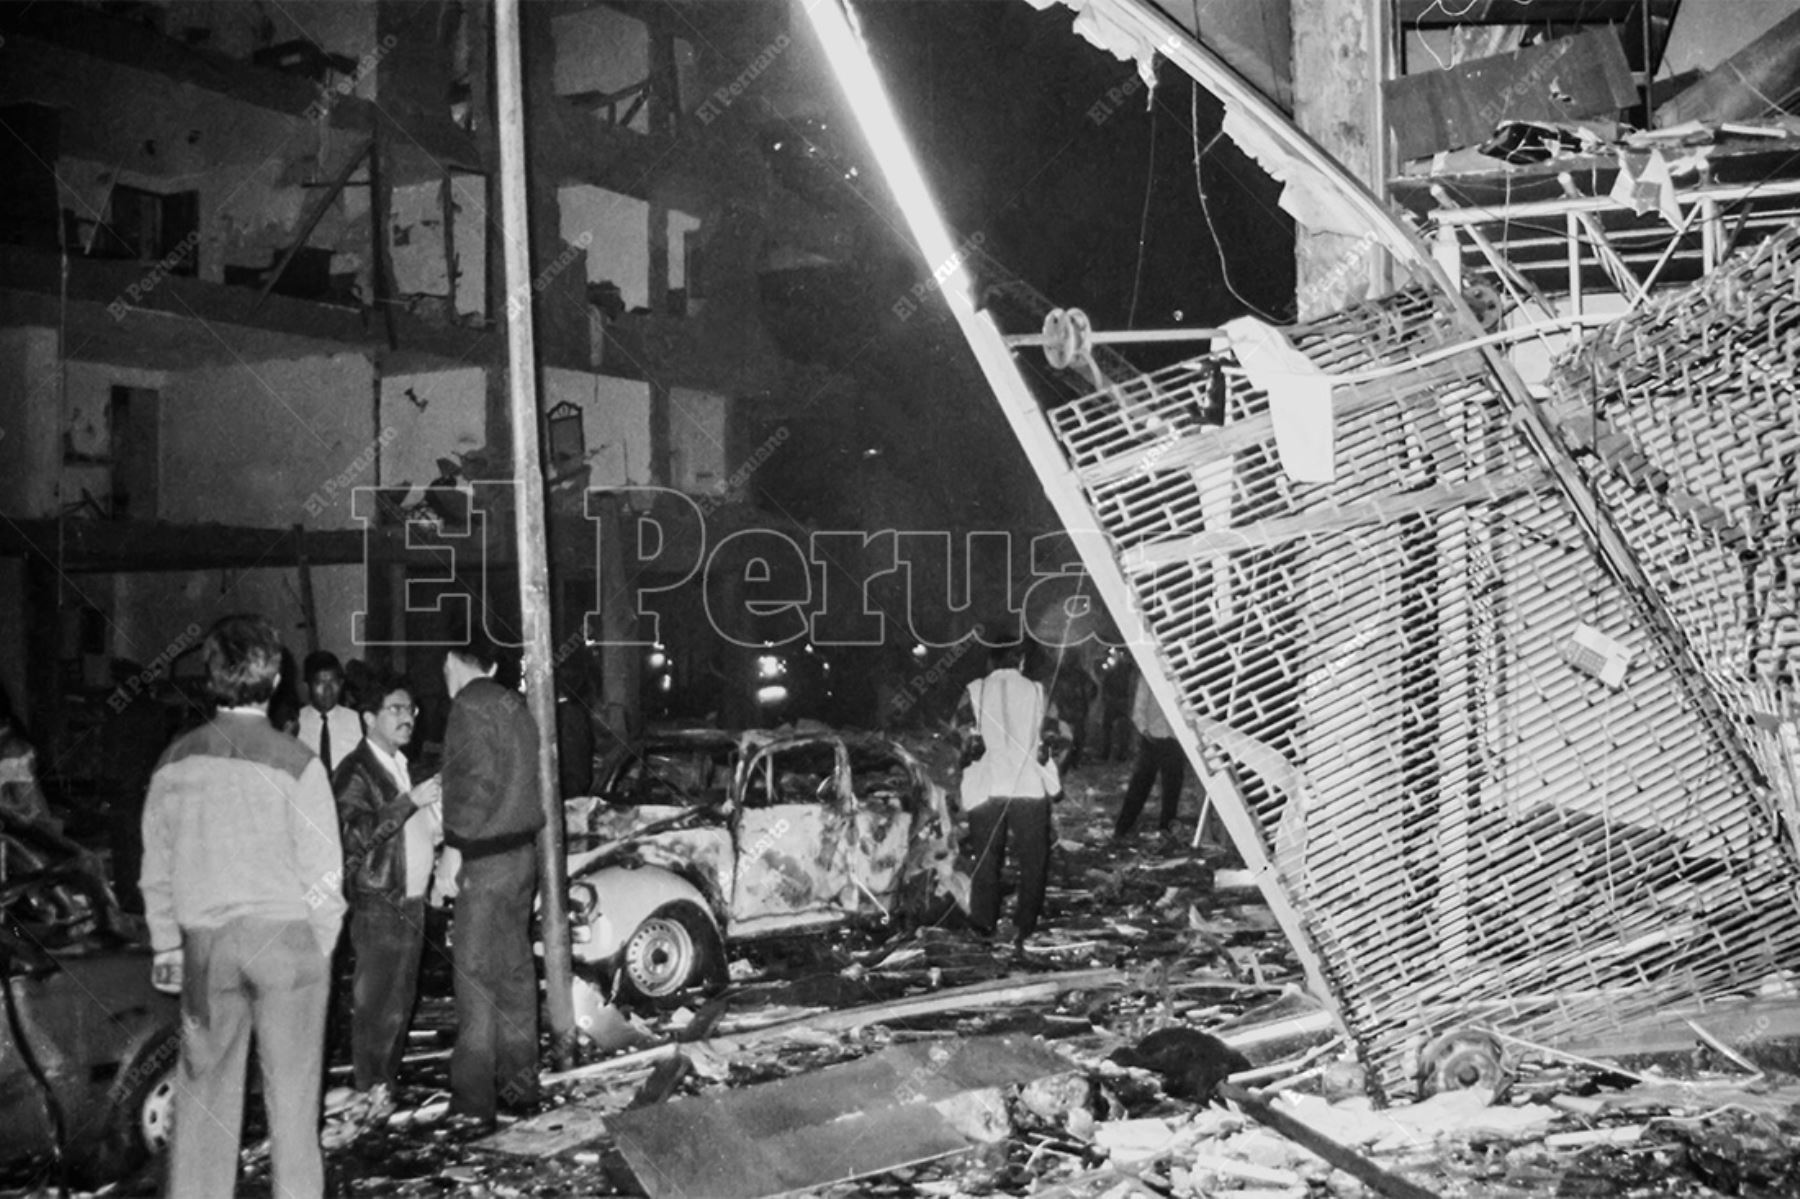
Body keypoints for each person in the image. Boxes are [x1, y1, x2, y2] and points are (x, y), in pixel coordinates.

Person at [139, 614, 345, 1199]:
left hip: (204, 948)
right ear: (276, 677)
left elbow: (157, 864)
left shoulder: (174, 761)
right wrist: (319, 945)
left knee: (203, 1096)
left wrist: (166, 942)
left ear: (211, 677)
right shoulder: (298, 762)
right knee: (293, 1103)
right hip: (286, 945)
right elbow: (324, 872)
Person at [439, 637, 544, 1128]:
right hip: (523, 855)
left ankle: (473, 1102)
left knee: (476, 978)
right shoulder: (515, 704)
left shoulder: (468, 704)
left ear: (451, 664)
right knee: (517, 973)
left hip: (484, 862)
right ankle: (520, 1086)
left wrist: (453, 849)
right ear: (494, 664)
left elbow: (472, 785)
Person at [330, 672, 445, 1115]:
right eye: (395, 709)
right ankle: (367, 1088)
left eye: (410, 710)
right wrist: (409, 802)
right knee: (376, 1004)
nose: (407, 718)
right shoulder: (355, 770)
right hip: (380, 901)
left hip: (410, 901)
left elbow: (408, 828)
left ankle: (383, 1088)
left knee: (400, 1002)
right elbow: (353, 836)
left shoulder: (398, 763)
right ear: (368, 719)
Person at [954, 640, 1064, 950]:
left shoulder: (974, 690)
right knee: (1034, 860)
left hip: (988, 788)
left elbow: (959, 738)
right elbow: (1056, 737)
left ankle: (983, 923)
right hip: (1028, 787)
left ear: (991, 662)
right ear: (1020, 661)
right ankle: (1025, 924)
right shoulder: (1039, 692)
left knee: (987, 859)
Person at [1113, 672, 1188, 846]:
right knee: (1140, 785)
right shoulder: (1149, 675)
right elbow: (1139, 706)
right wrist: (1144, 730)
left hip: (1174, 739)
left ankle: (1165, 832)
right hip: (1152, 738)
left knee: (1172, 789)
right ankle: (1122, 828)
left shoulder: (1179, 677)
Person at [296, 650, 362, 774]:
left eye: (333, 682)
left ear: (341, 683)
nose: (328, 690)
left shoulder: (357, 721)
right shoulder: (295, 722)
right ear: (307, 686)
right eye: (320, 683)